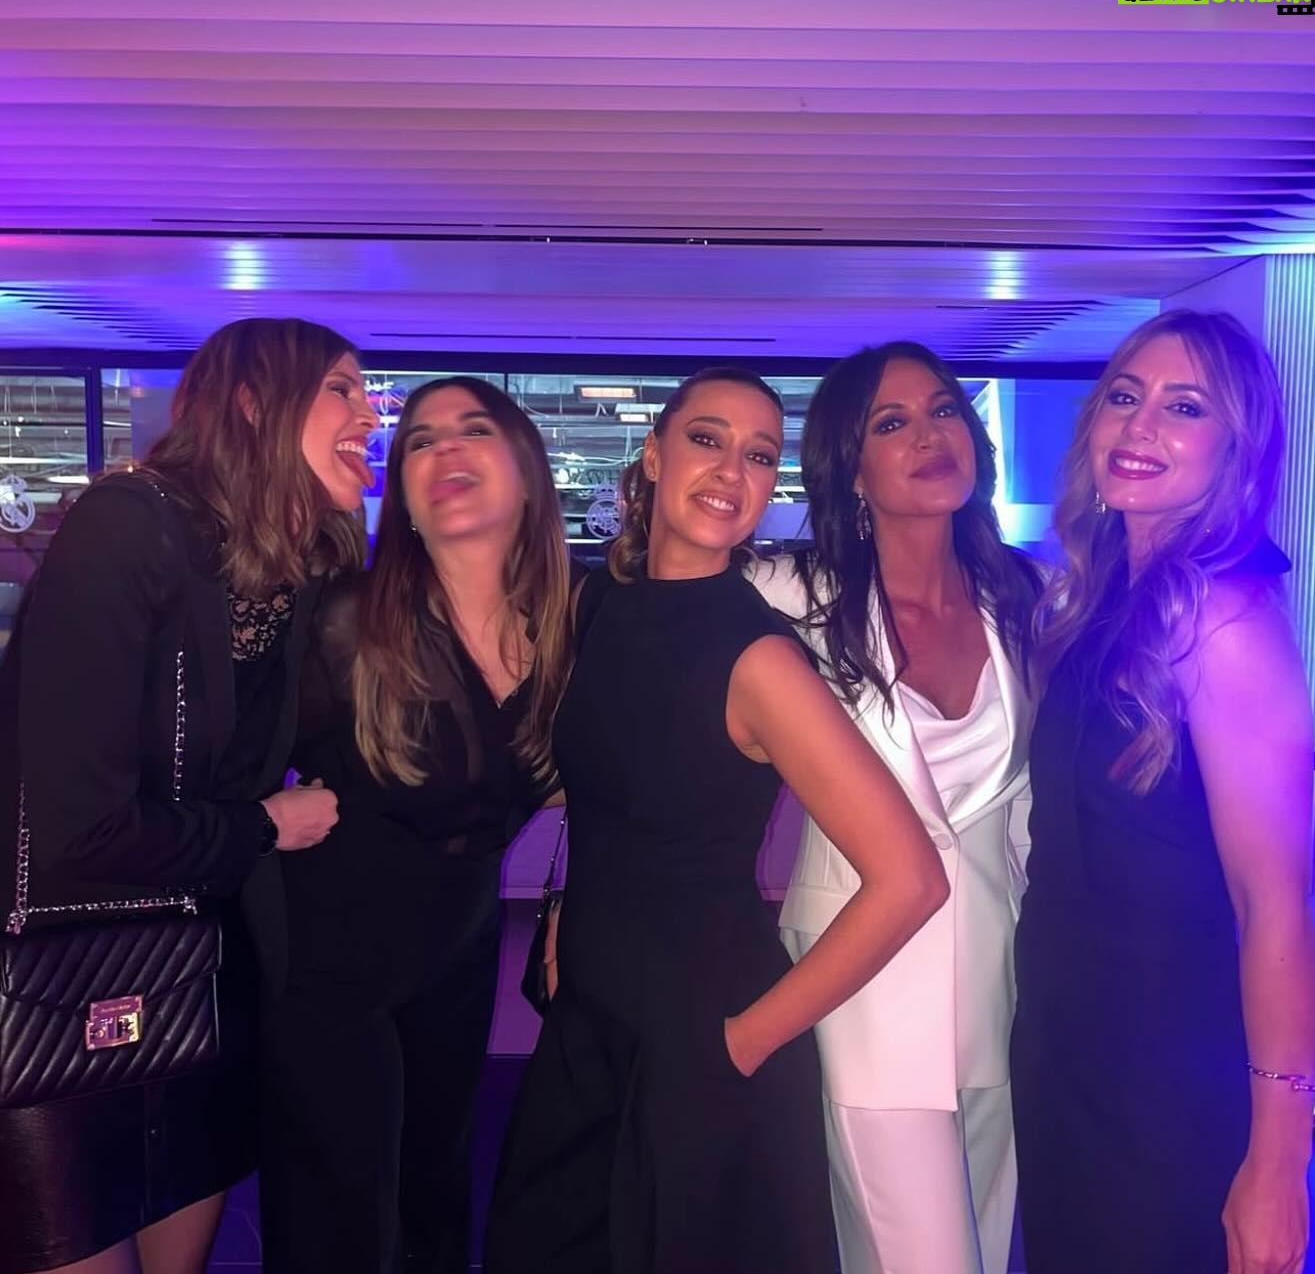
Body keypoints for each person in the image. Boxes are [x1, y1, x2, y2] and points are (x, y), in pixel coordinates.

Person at [484, 366, 949, 1274]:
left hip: (703, 1034)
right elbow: (617, 781)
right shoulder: (597, 605)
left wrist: (743, 1042)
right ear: (654, 455)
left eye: (759, 455)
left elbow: (909, 880)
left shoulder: (761, 659)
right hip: (587, 1022)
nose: (732, 470)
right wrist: (569, 902)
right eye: (707, 439)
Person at [0, 317, 377, 1274]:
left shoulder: (295, 571)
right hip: (56, 980)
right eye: (341, 388)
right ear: (252, 402)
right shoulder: (129, 524)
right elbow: (77, 830)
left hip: (200, 971)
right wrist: (263, 826)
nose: (369, 413)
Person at [1011, 309, 1315, 1274]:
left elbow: (1275, 904)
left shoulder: (1222, 614)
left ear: (1235, 447)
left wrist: (1278, 1161)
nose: (1138, 427)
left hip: (1170, 1081)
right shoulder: (1108, 595)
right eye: (1123, 397)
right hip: (1068, 1049)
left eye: (1183, 408)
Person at [258, 377, 573, 1274]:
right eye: (421, 441)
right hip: (330, 967)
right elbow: (223, 758)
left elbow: (601, 779)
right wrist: (256, 821)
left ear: (527, 471)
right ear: (401, 491)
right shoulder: (348, 621)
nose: (444, 449)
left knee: (435, 1203)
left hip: (458, 956)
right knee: (343, 1224)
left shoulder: (567, 627)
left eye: (473, 429)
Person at [752, 342, 1042, 1273]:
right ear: (851, 468)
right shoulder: (790, 595)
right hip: (863, 987)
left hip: (999, 984)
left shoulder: (1023, 597)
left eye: (943, 409)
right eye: (891, 422)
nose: (929, 434)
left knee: (987, 1248)